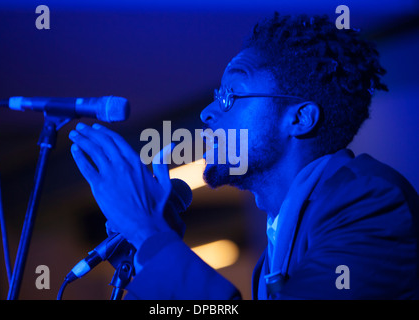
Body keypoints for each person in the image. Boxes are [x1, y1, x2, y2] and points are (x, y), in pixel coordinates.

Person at [68, 13, 419, 299]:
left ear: (299, 118)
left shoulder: (368, 201)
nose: (207, 112)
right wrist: (152, 252)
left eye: (230, 96)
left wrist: (149, 233)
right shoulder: (269, 259)